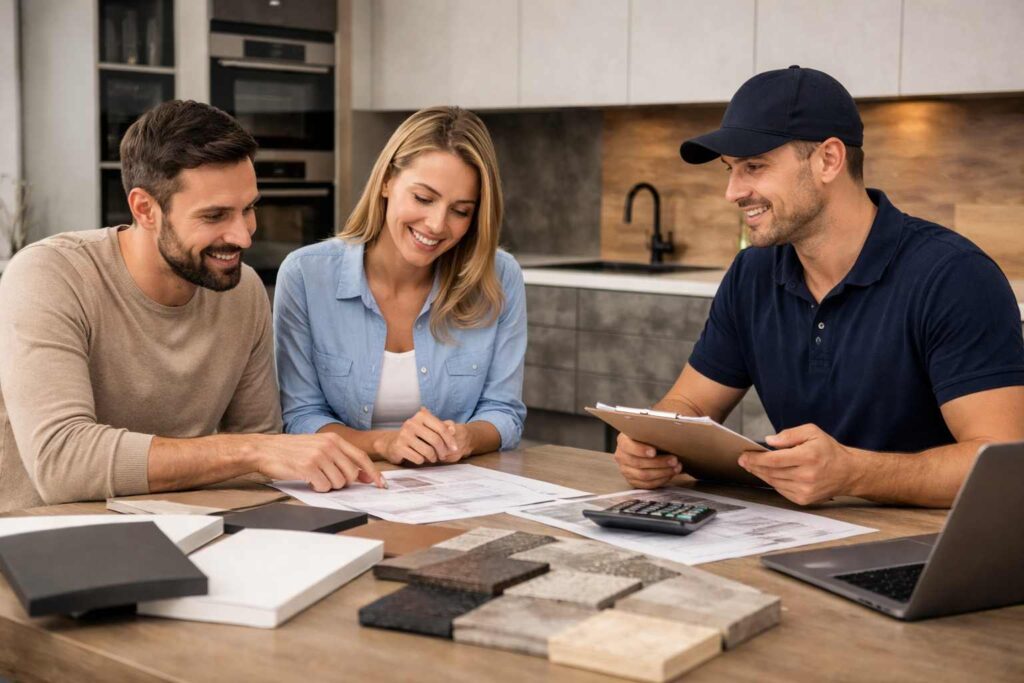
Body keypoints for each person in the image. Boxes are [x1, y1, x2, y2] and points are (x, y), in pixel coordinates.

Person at [613, 66, 1024, 507]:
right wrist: (650, 439)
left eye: (754, 166)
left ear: (828, 160)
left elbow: (1002, 463)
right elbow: (690, 405)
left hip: (931, 547)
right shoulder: (751, 274)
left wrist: (853, 473)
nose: (732, 192)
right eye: (730, 170)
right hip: (799, 533)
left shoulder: (953, 276)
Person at [0, 100, 383, 513]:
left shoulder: (243, 291)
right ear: (145, 209)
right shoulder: (50, 276)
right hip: (41, 540)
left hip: (186, 530)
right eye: (215, 215)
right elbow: (62, 461)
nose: (243, 236)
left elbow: (261, 461)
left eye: (249, 208)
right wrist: (250, 451)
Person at [274, 106, 527, 466]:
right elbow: (300, 417)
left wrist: (466, 437)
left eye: (461, 211)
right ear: (387, 181)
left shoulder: (499, 278)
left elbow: (504, 412)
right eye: (423, 198)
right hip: (342, 488)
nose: (437, 224)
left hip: (455, 495)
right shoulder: (305, 275)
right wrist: (384, 444)